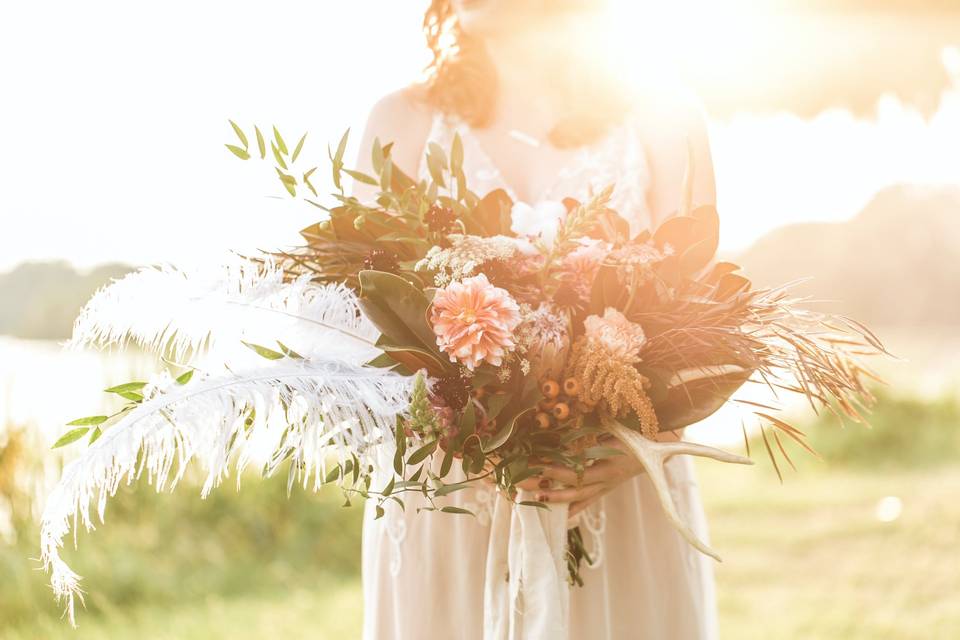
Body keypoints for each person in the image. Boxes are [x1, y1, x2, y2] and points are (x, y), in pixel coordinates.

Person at [354, 1, 718, 638]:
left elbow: (709, 327)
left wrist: (640, 449)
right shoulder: (400, 122)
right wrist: (464, 433)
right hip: (449, 500)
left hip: (614, 489)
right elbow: (359, 326)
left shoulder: (665, 119)